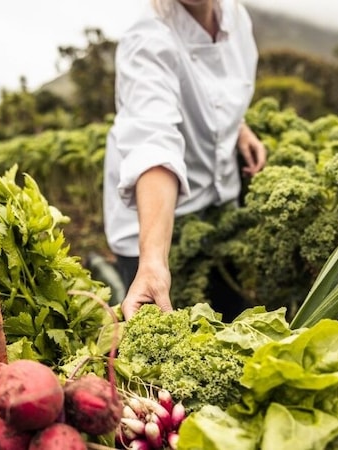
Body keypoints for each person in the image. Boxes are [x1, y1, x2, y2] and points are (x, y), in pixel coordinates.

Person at [103, 0, 266, 320]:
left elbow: (218, 90)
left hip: (216, 205)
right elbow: (154, 143)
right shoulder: (147, 38)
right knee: (167, 345)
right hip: (152, 221)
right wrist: (152, 262)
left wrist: (238, 128)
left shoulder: (234, 16)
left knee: (229, 315)